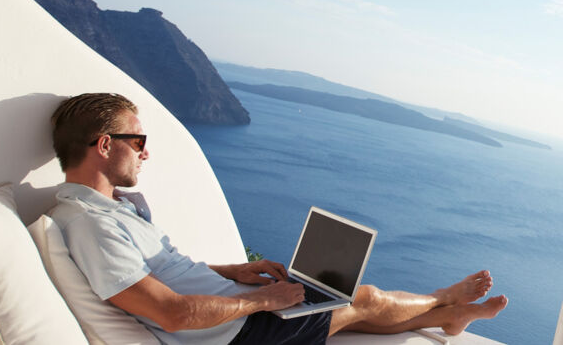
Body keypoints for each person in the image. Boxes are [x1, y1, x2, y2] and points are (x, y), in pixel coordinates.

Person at [49, 93, 507, 344]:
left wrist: (233, 272)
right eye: (138, 140)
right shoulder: (91, 224)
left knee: (335, 309)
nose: (146, 152)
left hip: (230, 315)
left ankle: (448, 319)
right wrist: (264, 302)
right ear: (105, 146)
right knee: (360, 297)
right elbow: (170, 313)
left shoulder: (113, 210)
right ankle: (440, 298)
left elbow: (163, 276)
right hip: (232, 334)